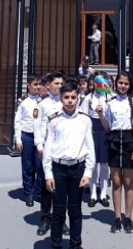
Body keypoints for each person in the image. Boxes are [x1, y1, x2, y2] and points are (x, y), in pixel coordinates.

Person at [43, 80, 95, 249]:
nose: (70, 100)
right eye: (66, 97)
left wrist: (88, 173)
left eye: (73, 97)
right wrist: (48, 174)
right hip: (59, 169)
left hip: (77, 169)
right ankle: (56, 245)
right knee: (58, 211)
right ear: (61, 99)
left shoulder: (85, 120)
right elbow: (48, 148)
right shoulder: (54, 120)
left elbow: (90, 148)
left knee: (75, 211)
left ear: (78, 98)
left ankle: (75, 245)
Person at [96, 70, 133, 234]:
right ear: (115, 84)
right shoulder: (110, 102)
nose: (123, 86)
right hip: (114, 141)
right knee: (116, 181)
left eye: (126, 83)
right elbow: (107, 127)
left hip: (129, 140)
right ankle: (117, 217)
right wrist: (101, 114)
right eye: (120, 83)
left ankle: (128, 218)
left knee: (128, 182)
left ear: (130, 85)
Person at [34, 71, 65, 236]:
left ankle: (61, 219)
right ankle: (45, 218)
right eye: (56, 84)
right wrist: (39, 146)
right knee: (47, 186)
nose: (59, 87)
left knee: (62, 187)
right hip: (47, 149)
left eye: (61, 84)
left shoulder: (67, 102)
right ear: (49, 85)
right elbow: (37, 126)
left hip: (63, 151)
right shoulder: (42, 104)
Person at [79, 72, 112, 208]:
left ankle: (103, 194)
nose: (99, 85)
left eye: (102, 81)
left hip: (104, 131)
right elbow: (83, 116)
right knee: (92, 164)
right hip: (92, 131)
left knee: (104, 164)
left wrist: (104, 111)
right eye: (97, 82)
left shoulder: (109, 97)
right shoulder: (88, 98)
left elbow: (111, 117)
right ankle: (93, 194)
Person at [14, 74, 42, 206]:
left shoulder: (43, 101)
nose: (38, 87)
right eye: (35, 84)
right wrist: (18, 139)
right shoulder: (23, 102)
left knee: (40, 166)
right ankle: (29, 193)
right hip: (27, 137)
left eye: (39, 84)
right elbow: (17, 121)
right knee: (28, 167)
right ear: (28, 85)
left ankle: (40, 192)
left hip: (40, 138)